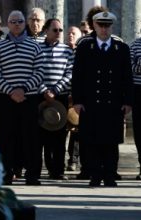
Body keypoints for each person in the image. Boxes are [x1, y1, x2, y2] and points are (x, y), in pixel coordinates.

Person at [72, 12, 133, 187]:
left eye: (107, 25)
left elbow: (126, 77)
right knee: (92, 141)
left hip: (113, 103)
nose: (104, 29)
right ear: (94, 26)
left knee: (111, 142)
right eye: (101, 25)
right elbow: (77, 76)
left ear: (111, 27)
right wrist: (77, 100)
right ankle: (95, 174)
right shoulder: (85, 47)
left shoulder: (121, 48)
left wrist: (128, 101)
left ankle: (110, 174)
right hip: (91, 103)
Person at [0, 10, 44, 185]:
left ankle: (32, 174)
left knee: (31, 138)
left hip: (29, 98)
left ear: (24, 23)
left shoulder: (34, 46)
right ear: (8, 23)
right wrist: (11, 91)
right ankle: (6, 173)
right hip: (6, 99)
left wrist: (23, 89)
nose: (16, 24)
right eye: (13, 22)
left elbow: (39, 71)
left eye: (20, 21)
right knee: (5, 138)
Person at [38, 18, 74, 180]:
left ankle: (58, 170)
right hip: (41, 96)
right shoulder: (37, 49)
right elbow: (34, 72)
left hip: (60, 96)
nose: (58, 33)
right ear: (46, 30)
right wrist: (45, 91)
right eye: (55, 30)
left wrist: (56, 90)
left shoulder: (67, 50)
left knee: (60, 135)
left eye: (60, 30)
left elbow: (70, 73)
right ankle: (46, 167)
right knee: (43, 134)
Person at [65, 25, 82, 172]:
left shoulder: (81, 53)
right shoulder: (62, 51)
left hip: (76, 96)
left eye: (74, 34)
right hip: (62, 95)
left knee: (76, 129)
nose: (70, 35)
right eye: (69, 33)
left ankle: (74, 159)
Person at [129, 20, 141, 181]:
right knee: (140, 131)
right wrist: (140, 66)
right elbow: (129, 68)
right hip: (139, 92)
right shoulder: (134, 45)